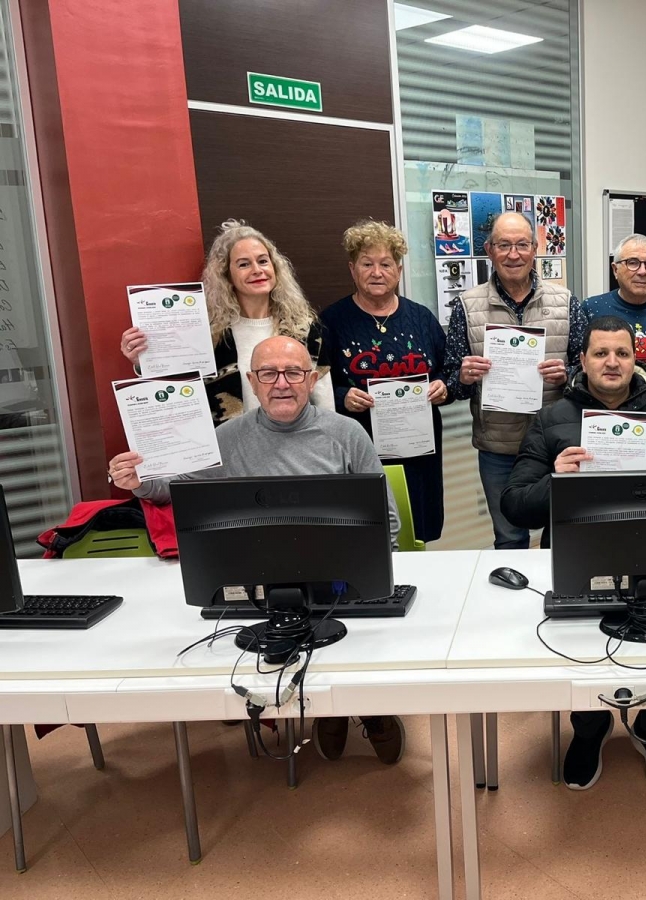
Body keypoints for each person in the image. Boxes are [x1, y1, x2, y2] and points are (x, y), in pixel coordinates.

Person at [107, 336, 406, 766]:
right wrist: (137, 482)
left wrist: (375, 571)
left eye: (293, 373)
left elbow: (386, 519)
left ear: (312, 380)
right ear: (251, 381)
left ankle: (369, 711)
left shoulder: (346, 432)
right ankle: (328, 711)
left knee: (357, 640)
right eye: (268, 373)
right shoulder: (226, 438)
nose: (281, 383)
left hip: (341, 581)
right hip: (262, 584)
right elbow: (174, 487)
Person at [500, 316, 646, 795]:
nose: (612, 362)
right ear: (583, 360)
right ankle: (590, 730)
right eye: (600, 353)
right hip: (580, 556)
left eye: (622, 353)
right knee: (582, 652)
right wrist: (555, 480)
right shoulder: (550, 419)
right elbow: (515, 504)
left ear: (636, 360)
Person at [443, 212, 586, 549]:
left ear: (535, 249)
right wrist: (463, 376)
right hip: (498, 447)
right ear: (489, 250)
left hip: (556, 442)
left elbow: (585, 372)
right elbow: (452, 383)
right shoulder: (466, 305)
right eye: (504, 245)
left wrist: (567, 376)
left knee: (562, 533)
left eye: (522, 245)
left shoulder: (566, 301)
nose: (513, 254)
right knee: (508, 537)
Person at [118, 220, 335, 425]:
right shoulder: (208, 333)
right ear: (227, 275)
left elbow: (323, 398)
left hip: (293, 444)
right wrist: (145, 360)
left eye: (263, 261)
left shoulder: (304, 328)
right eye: (244, 264)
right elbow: (177, 390)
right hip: (229, 445)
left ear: (275, 267)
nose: (257, 270)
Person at [320, 220, 451, 543]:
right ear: (352, 269)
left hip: (419, 453)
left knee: (416, 533)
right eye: (367, 264)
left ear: (399, 270)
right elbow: (313, 385)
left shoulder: (421, 318)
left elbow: (449, 370)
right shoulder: (331, 322)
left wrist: (443, 387)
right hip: (360, 451)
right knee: (366, 536)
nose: (376, 272)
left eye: (386, 264)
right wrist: (341, 396)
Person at [583, 234, 646, 379]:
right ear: (615, 270)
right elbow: (579, 365)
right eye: (632, 263)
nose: (642, 271)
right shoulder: (591, 309)